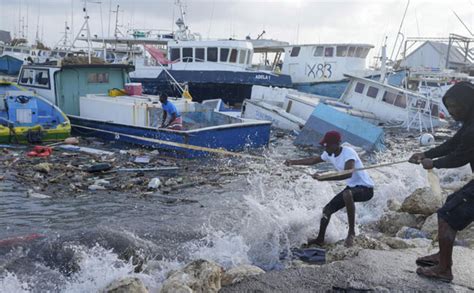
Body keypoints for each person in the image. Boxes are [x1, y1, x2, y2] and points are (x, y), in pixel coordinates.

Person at [409, 81, 474, 283]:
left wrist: (433, 163)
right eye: (449, 107)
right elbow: (453, 144)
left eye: (455, 106)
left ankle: (444, 269)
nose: (452, 111)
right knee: (449, 204)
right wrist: (425, 153)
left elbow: (459, 157)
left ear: (468, 102)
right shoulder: (469, 123)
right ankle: (441, 257)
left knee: (446, 215)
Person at [285, 130, 374, 247]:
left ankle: (351, 233)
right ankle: (320, 239)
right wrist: (292, 162)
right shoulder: (329, 154)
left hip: (366, 190)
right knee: (327, 210)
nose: (325, 148)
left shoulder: (349, 153)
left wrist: (324, 178)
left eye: (327, 145)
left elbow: (347, 174)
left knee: (347, 194)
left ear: (336, 144)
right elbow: (313, 160)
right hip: (352, 188)